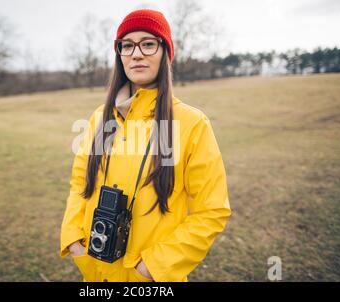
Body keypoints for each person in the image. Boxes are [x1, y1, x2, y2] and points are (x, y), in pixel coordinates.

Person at [60, 9, 231, 282]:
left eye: (148, 43)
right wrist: (73, 239)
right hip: (96, 272)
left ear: (165, 52)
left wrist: (154, 266)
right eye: (127, 45)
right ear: (120, 55)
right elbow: (81, 183)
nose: (136, 54)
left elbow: (211, 210)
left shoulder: (191, 123)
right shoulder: (99, 118)